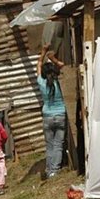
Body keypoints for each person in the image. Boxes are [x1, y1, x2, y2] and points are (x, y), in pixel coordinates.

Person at [37, 44, 67, 179]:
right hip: (60, 115)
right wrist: (53, 59)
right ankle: (55, 170)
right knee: (58, 145)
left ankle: (49, 170)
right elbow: (62, 65)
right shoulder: (59, 82)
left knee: (49, 146)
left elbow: (38, 64)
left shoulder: (41, 82)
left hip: (47, 117)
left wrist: (43, 52)